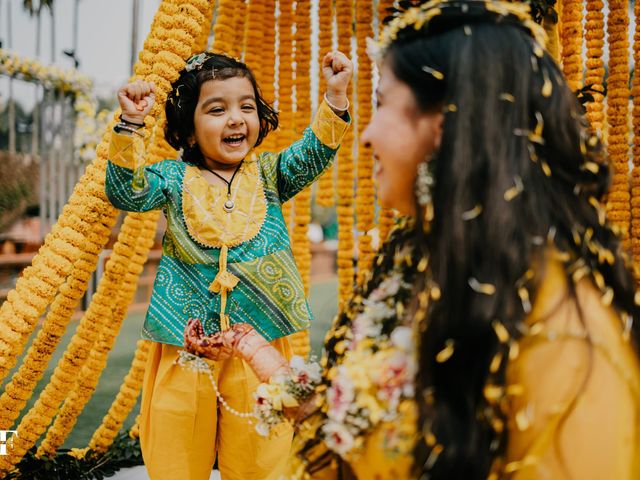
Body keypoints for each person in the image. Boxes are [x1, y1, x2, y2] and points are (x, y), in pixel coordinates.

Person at [277, 1, 640, 479]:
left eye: (382, 103)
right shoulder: (426, 261)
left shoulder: (562, 325)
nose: (366, 135)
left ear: (448, 122)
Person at [105, 51, 352, 480]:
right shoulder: (171, 178)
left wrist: (335, 95)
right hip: (186, 345)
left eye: (247, 107)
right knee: (176, 450)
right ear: (189, 129)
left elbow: (315, 153)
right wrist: (130, 124)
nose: (236, 119)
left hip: (260, 346)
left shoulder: (272, 174)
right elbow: (126, 191)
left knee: (262, 455)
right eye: (216, 109)